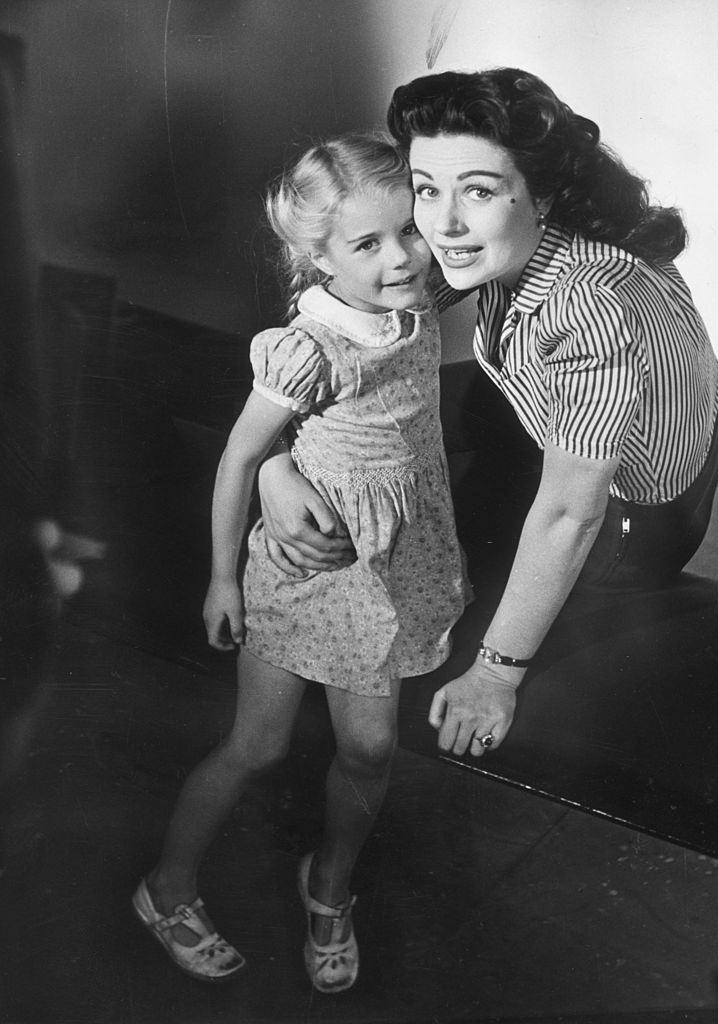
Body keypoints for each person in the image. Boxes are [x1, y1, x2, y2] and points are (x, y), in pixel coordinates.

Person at [258, 68, 718, 763]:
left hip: (636, 516)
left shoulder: (590, 306)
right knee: (362, 433)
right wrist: (277, 463)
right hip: (582, 408)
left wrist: (494, 673)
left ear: (540, 193)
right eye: (425, 189)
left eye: (476, 189)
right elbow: (344, 315)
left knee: (399, 569)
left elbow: (571, 516)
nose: (440, 225)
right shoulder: (506, 231)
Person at [131, 132, 468, 992]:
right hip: (312, 577)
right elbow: (239, 458)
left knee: (370, 751)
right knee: (257, 746)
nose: (401, 256)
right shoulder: (309, 344)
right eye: (366, 243)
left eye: (410, 229)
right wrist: (218, 578)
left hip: (397, 566)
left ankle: (329, 885)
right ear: (314, 254)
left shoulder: (419, 301)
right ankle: (165, 888)